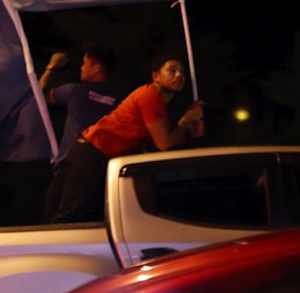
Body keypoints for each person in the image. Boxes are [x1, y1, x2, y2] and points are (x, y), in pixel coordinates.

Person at [48, 54, 205, 224]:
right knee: (70, 219)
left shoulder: (157, 104)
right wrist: (186, 120)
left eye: (182, 72)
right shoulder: (149, 95)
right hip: (90, 155)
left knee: (75, 218)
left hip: (91, 156)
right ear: (156, 76)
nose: (179, 75)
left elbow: (160, 141)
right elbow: (164, 143)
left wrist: (188, 132)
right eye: (172, 70)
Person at [39, 43, 119, 222]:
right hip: (85, 168)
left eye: (85, 63)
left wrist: (51, 67)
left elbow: (40, 95)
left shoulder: (77, 91)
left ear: (96, 67)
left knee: (61, 223)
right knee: (54, 221)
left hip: (80, 164)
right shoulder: (117, 99)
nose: (81, 68)